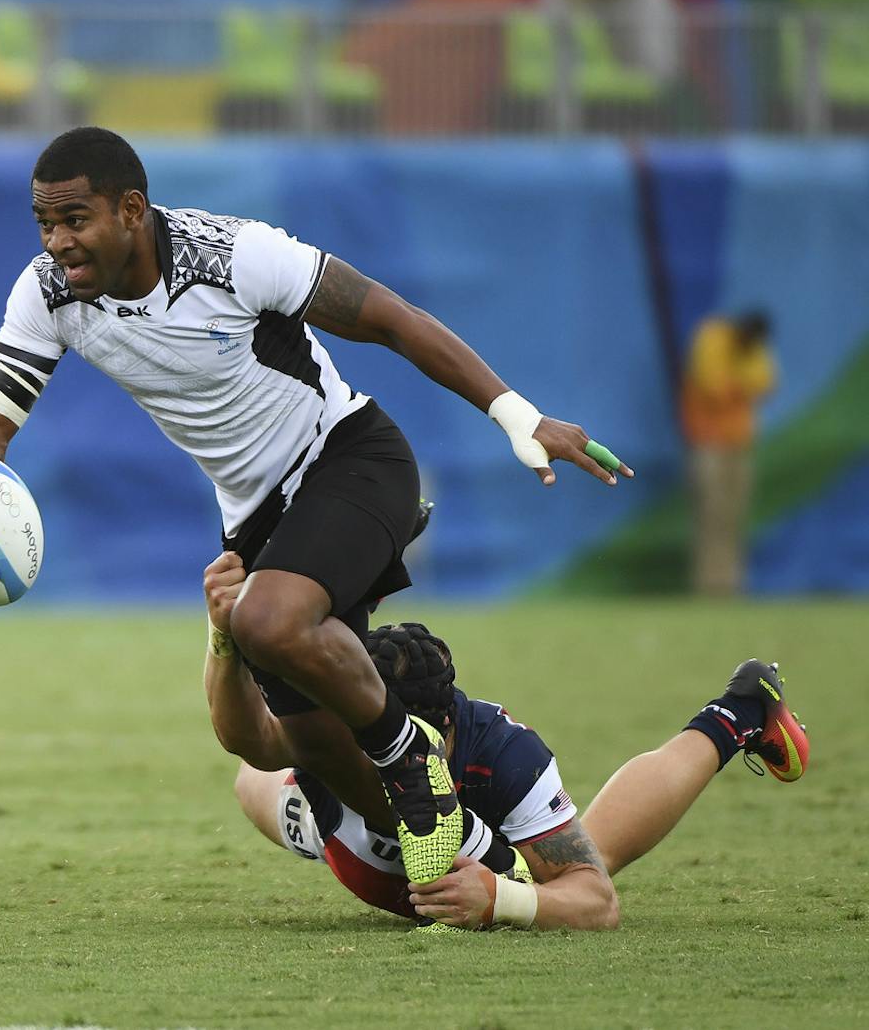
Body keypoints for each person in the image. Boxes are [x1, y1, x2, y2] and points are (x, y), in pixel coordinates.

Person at [0, 126, 630, 888]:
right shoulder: (48, 292)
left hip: (351, 459)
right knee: (307, 742)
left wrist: (516, 413)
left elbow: (387, 315)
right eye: (44, 224)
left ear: (130, 209)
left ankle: (415, 753)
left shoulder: (235, 255)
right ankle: (490, 865)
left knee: (265, 619)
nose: (57, 242)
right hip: (256, 520)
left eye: (74, 220)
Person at [203, 551, 810, 930]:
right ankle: (744, 708)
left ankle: (739, 712)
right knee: (256, 781)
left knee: (581, 865)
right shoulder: (332, 731)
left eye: (392, 740)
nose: (378, 754)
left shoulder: (503, 755)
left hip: (486, 843)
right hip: (348, 839)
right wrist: (223, 636)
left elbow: (598, 904)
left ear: (444, 734)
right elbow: (244, 738)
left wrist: (500, 899)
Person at [680, 309, 777, 597]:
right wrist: (743, 384)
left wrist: (739, 383)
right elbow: (714, 387)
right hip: (708, 441)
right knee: (711, 512)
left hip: (739, 442)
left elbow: (768, 382)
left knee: (735, 514)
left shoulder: (753, 348)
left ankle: (732, 585)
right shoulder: (712, 338)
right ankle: (709, 585)